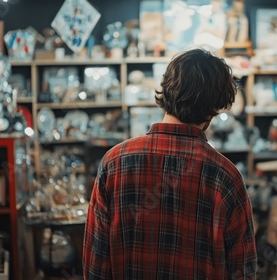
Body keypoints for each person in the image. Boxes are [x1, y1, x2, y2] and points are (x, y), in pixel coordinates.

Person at [83, 48, 257, 279]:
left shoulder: (114, 163)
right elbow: (243, 270)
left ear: (166, 90)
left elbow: (95, 266)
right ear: (216, 107)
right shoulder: (225, 176)